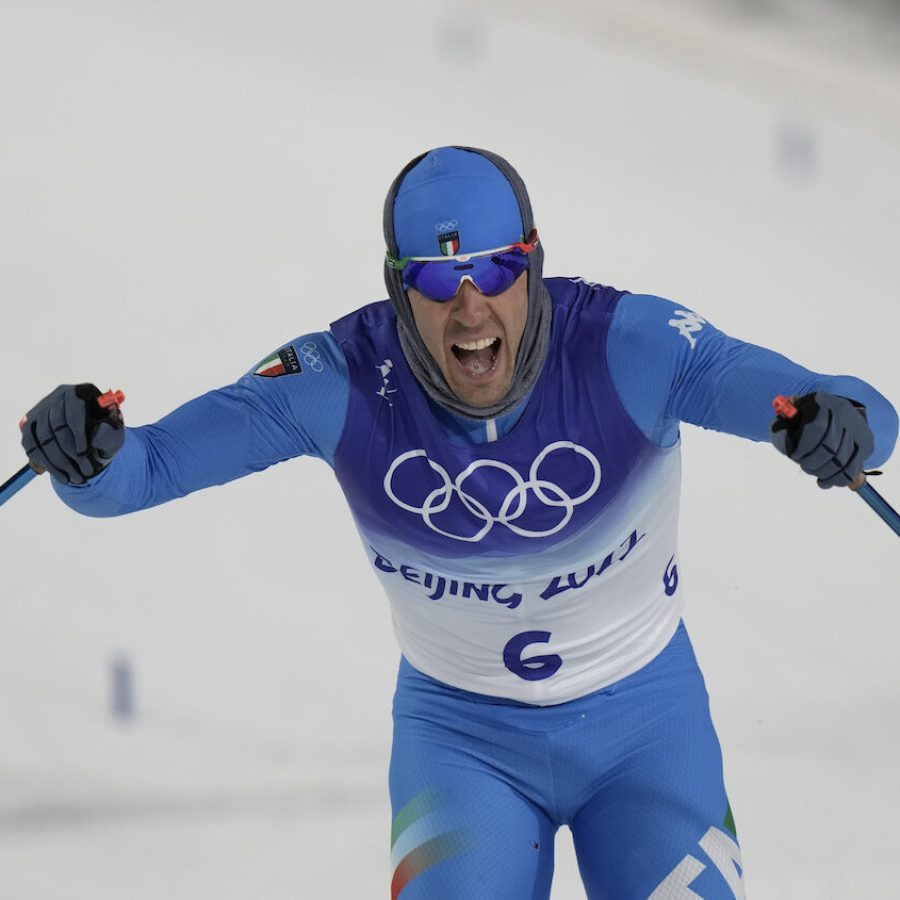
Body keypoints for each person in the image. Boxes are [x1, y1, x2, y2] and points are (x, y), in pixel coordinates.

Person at [20, 146, 897, 899]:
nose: (472, 308)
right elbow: (143, 470)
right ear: (398, 289)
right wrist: (86, 452)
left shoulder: (631, 346)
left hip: (646, 728)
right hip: (462, 743)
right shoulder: (336, 379)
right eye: (438, 280)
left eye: (498, 270)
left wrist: (839, 424)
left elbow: (851, 409)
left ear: (534, 264)